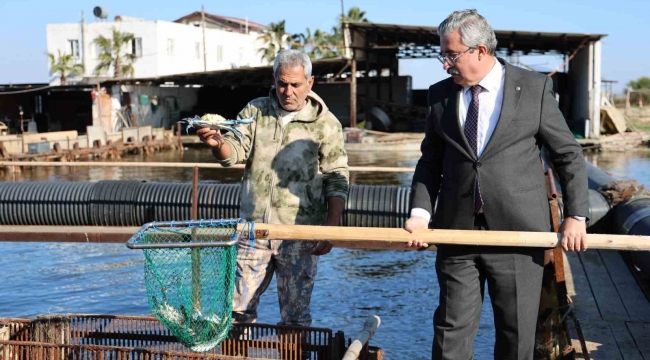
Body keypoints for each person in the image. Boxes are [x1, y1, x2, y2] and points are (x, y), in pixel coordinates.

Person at [404, 9, 589, 360]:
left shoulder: (533, 89)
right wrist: (419, 213)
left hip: (519, 237)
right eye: (442, 54)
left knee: (516, 338)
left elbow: (567, 155)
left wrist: (576, 216)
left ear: (480, 51)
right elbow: (430, 163)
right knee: (450, 334)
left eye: (450, 54)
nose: (445, 63)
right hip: (457, 234)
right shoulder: (439, 96)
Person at [196, 49, 349, 327]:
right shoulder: (255, 112)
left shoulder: (326, 125)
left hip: (299, 235)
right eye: (281, 83)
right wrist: (217, 143)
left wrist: (331, 227)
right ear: (274, 80)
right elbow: (234, 153)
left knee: (295, 318)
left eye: (295, 85)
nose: (287, 91)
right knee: (235, 313)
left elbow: (337, 176)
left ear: (310, 83)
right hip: (253, 232)